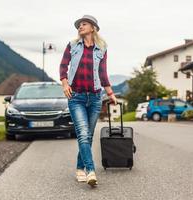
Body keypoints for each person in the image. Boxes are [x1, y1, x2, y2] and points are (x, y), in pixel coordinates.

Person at [59, 15, 117, 186]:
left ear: (93, 28)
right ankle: (90, 171)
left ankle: (79, 168)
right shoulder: (72, 45)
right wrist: (64, 84)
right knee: (83, 134)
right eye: (78, 25)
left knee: (88, 136)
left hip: (95, 97)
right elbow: (63, 66)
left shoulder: (102, 48)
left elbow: (103, 74)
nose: (80, 27)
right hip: (76, 96)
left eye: (84, 24)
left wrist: (111, 93)